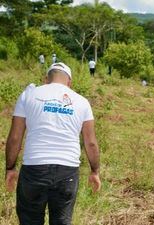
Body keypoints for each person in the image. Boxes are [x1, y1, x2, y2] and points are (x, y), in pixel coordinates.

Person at [5, 62, 101, 225]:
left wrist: (10, 168)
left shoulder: (28, 95)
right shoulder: (82, 101)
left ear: (46, 80)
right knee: (62, 220)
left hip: (34, 169)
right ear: (69, 82)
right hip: (67, 171)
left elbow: (15, 137)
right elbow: (90, 143)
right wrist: (95, 171)